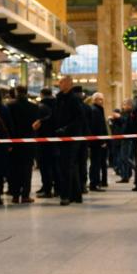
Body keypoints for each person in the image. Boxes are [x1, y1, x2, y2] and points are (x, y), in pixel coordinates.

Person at [52, 76, 87, 205]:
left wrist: (66, 129)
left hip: (71, 137)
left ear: (68, 84)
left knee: (66, 166)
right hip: (61, 137)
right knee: (70, 166)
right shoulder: (59, 98)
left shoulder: (74, 99)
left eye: (61, 82)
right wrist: (42, 121)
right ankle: (77, 195)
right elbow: (54, 116)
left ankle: (65, 195)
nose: (59, 84)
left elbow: (79, 119)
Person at [7, 85, 40, 203]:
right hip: (29, 142)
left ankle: (15, 195)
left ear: (16, 92)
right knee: (27, 170)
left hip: (14, 142)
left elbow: (8, 124)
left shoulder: (10, 106)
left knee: (14, 169)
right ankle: (25, 195)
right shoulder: (34, 107)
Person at [35, 87, 58, 198]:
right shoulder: (57, 105)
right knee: (54, 166)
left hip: (43, 140)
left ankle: (47, 189)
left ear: (42, 94)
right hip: (56, 139)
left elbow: (37, 124)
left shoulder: (40, 107)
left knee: (44, 166)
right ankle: (56, 188)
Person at [87, 92, 110, 191]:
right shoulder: (95, 110)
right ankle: (94, 183)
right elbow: (97, 128)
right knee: (95, 163)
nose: (101, 101)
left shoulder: (98, 110)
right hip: (97, 141)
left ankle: (96, 181)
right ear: (94, 100)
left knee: (97, 162)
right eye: (99, 99)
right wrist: (102, 141)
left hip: (97, 141)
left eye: (102, 99)